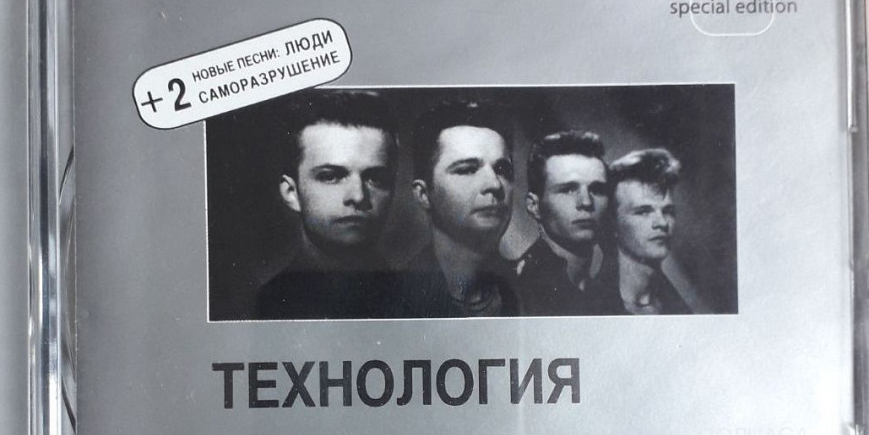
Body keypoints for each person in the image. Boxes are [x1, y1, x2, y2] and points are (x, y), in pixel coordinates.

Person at [254, 90, 401, 319]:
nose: (358, 196)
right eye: (331, 176)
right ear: (291, 193)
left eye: (375, 178)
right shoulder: (262, 308)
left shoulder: (421, 301)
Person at [401, 99, 520, 317]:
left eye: (502, 170)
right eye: (467, 170)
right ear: (424, 194)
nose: (494, 184)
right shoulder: (397, 296)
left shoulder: (531, 290)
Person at [516, 130, 610, 315]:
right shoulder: (521, 290)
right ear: (534, 206)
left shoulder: (606, 290)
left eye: (597, 190)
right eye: (568, 190)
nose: (586, 202)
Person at [589, 148, 691, 315]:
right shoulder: (591, 307)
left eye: (668, 211)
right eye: (644, 212)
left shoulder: (679, 309)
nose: (662, 223)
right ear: (613, 223)